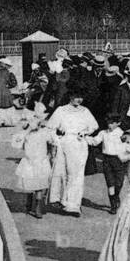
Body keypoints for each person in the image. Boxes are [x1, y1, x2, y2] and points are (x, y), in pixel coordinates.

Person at [46, 86, 99, 217]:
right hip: (64, 142)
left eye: (81, 97)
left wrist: (85, 132)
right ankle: (62, 200)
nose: (79, 100)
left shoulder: (85, 111)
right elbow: (51, 127)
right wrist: (56, 140)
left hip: (79, 144)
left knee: (77, 174)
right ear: (70, 97)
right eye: (76, 97)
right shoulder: (61, 110)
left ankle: (73, 204)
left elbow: (94, 125)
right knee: (62, 171)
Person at [86, 113, 130, 214]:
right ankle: (113, 204)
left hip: (118, 160)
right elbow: (95, 141)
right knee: (110, 183)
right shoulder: (103, 133)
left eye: (112, 123)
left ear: (118, 123)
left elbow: (129, 145)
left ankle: (116, 197)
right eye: (108, 123)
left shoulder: (121, 134)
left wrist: (128, 151)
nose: (109, 125)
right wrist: (85, 138)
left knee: (119, 182)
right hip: (106, 160)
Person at [11, 112, 56, 219]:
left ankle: (38, 206)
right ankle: (30, 200)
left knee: (40, 185)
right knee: (31, 183)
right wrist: (28, 130)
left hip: (41, 161)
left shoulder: (44, 132)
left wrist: (52, 152)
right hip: (30, 162)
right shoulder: (25, 134)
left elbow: (54, 141)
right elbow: (16, 143)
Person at [109, 64, 130, 130]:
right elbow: (115, 105)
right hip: (124, 119)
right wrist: (115, 120)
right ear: (129, 77)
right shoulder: (120, 89)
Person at [0, 58, 18, 127]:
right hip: (6, 91)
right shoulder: (8, 73)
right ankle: (8, 121)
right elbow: (14, 83)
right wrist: (8, 86)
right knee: (7, 107)